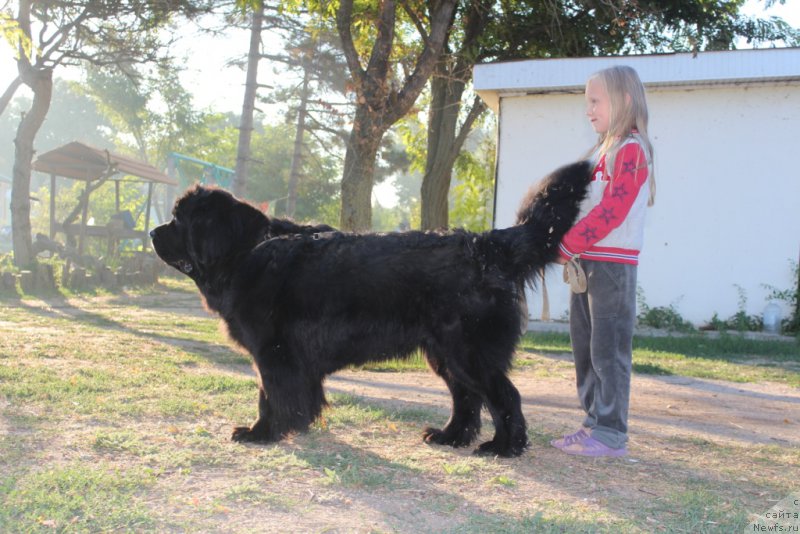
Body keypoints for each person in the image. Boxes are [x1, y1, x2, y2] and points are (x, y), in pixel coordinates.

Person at [551, 65, 655, 457]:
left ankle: (611, 434)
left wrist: (567, 244)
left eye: (595, 101)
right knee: (586, 349)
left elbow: (613, 210)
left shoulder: (631, 150)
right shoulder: (602, 151)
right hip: (587, 262)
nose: (588, 110)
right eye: (587, 102)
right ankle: (593, 423)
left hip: (612, 267)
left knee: (608, 352)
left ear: (624, 101)